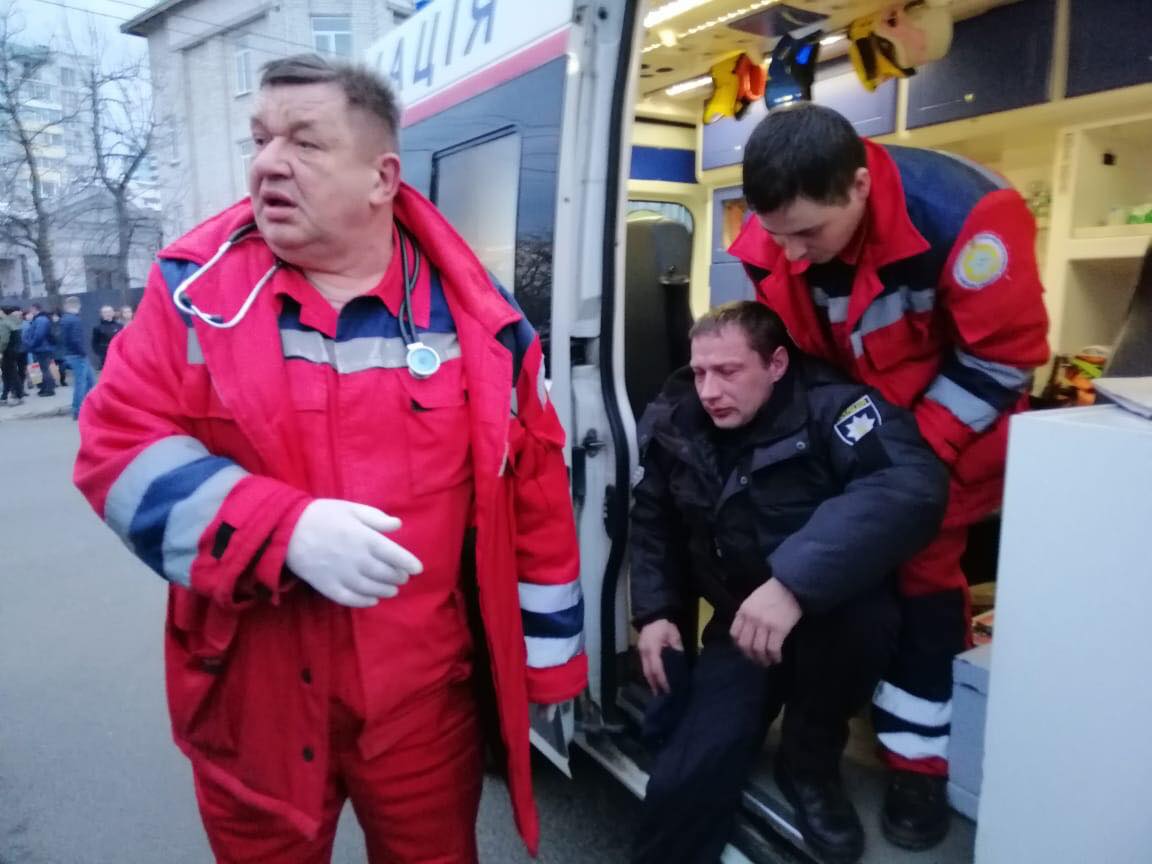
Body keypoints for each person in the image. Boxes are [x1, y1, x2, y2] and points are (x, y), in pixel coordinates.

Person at [73, 54, 586, 863]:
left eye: (305, 143)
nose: (268, 163)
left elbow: (534, 495)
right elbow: (115, 445)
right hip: (253, 693)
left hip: (422, 702)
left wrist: (550, 667)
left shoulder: (480, 320)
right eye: (260, 140)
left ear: (382, 178)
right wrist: (280, 530)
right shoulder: (193, 295)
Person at [728, 102, 1050, 849]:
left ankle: (919, 764)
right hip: (855, 437)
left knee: (925, 591)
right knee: (844, 584)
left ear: (860, 187)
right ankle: (823, 743)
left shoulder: (969, 220)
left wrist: (900, 470)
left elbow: (1000, 362)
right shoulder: (775, 237)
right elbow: (801, 356)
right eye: (780, 236)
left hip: (948, 443)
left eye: (809, 234)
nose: (793, 255)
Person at [630, 301, 948, 864]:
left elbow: (910, 485)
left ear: (776, 364)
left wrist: (792, 583)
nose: (709, 391)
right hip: (740, 620)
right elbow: (654, 519)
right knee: (686, 777)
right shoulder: (680, 420)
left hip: (829, 614)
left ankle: (809, 759)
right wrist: (656, 613)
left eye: (728, 371)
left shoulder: (836, 409)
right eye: (700, 372)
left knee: (869, 616)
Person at [59, 296, 95, 420]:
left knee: (89, 381)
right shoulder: (75, 320)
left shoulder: (65, 319)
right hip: (78, 355)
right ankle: (79, 410)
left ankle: (88, 407)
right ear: (78, 306)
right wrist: (83, 353)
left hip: (71, 354)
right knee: (83, 383)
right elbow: (76, 340)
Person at [22, 303, 56, 397]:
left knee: (44, 369)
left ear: (35, 309)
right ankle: (44, 388)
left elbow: (39, 335)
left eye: (31, 309)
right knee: (42, 369)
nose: (30, 312)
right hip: (42, 347)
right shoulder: (41, 319)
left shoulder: (40, 320)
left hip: (42, 348)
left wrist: (31, 344)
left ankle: (49, 389)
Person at [0, 305, 25, 406]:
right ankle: (4, 396)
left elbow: (4, 340)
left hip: (8, 351)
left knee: (11, 374)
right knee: (7, 373)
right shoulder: (13, 321)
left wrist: (0, 350)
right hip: (15, 350)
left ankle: (19, 395)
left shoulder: (4, 323)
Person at [91, 305, 123, 369]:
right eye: (105, 312)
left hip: (119, 353)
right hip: (105, 355)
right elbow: (95, 343)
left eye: (109, 312)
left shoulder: (120, 326)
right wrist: (101, 353)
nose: (108, 314)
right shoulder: (97, 328)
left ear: (113, 313)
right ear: (101, 314)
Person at [50, 310, 68, 386]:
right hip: (52, 349)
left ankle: (62, 380)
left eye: (56, 316)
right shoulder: (49, 325)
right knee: (53, 367)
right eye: (53, 316)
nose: (54, 318)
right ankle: (55, 381)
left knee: (62, 367)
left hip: (61, 348)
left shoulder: (63, 325)